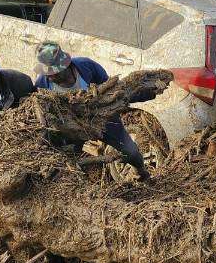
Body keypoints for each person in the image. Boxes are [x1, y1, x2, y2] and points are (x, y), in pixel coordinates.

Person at [33, 41, 150, 180]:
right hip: (71, 127)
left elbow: (111, 91)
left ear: (65, 65)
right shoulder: (42, 84)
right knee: (67, 161)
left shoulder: (86, 66)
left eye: (54, 73)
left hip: (102, 118)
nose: (50, 77)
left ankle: (141, 172)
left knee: (130, 151)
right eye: (47, 73)